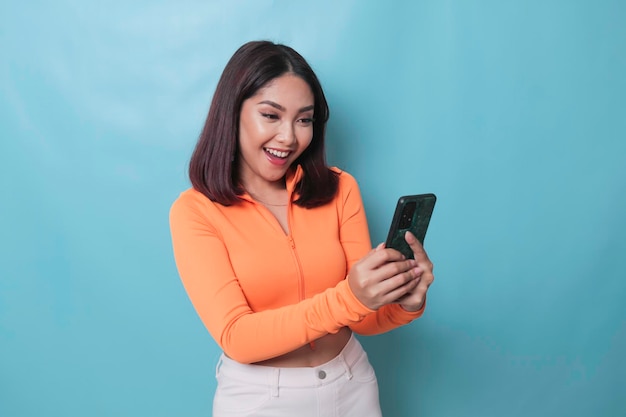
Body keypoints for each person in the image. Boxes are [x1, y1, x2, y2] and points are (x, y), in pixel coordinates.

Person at [169, 40, 434, 417]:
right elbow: (237, 337)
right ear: (232, 113)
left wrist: (406, 301)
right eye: (271, 115)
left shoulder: (340, 189)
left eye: (304, 119)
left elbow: (366, 316)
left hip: (352, 385)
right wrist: (350, 297)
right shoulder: (196, 211)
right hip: (261, 399)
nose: (289, 137)